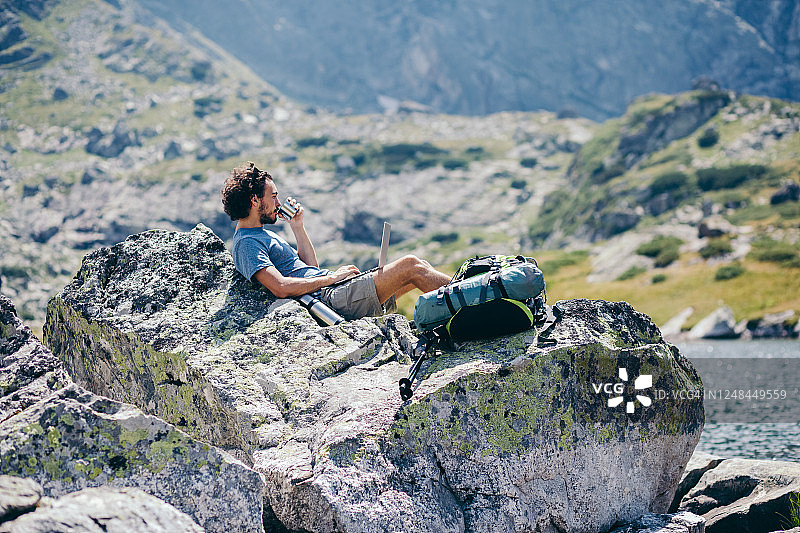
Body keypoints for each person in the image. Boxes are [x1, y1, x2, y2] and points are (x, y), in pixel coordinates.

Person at [221, 161, 452, 320]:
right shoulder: (246, 242)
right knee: (410, 266)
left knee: (420, 272)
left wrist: (298, 227)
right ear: (254, 200)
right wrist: (332, 278)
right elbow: (280, 287)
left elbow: (310, 270)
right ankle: (475, 295)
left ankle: (468, 302)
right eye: (273, 197)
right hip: (329, 299)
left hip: (331, 291)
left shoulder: (263, 233)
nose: (278, 203)